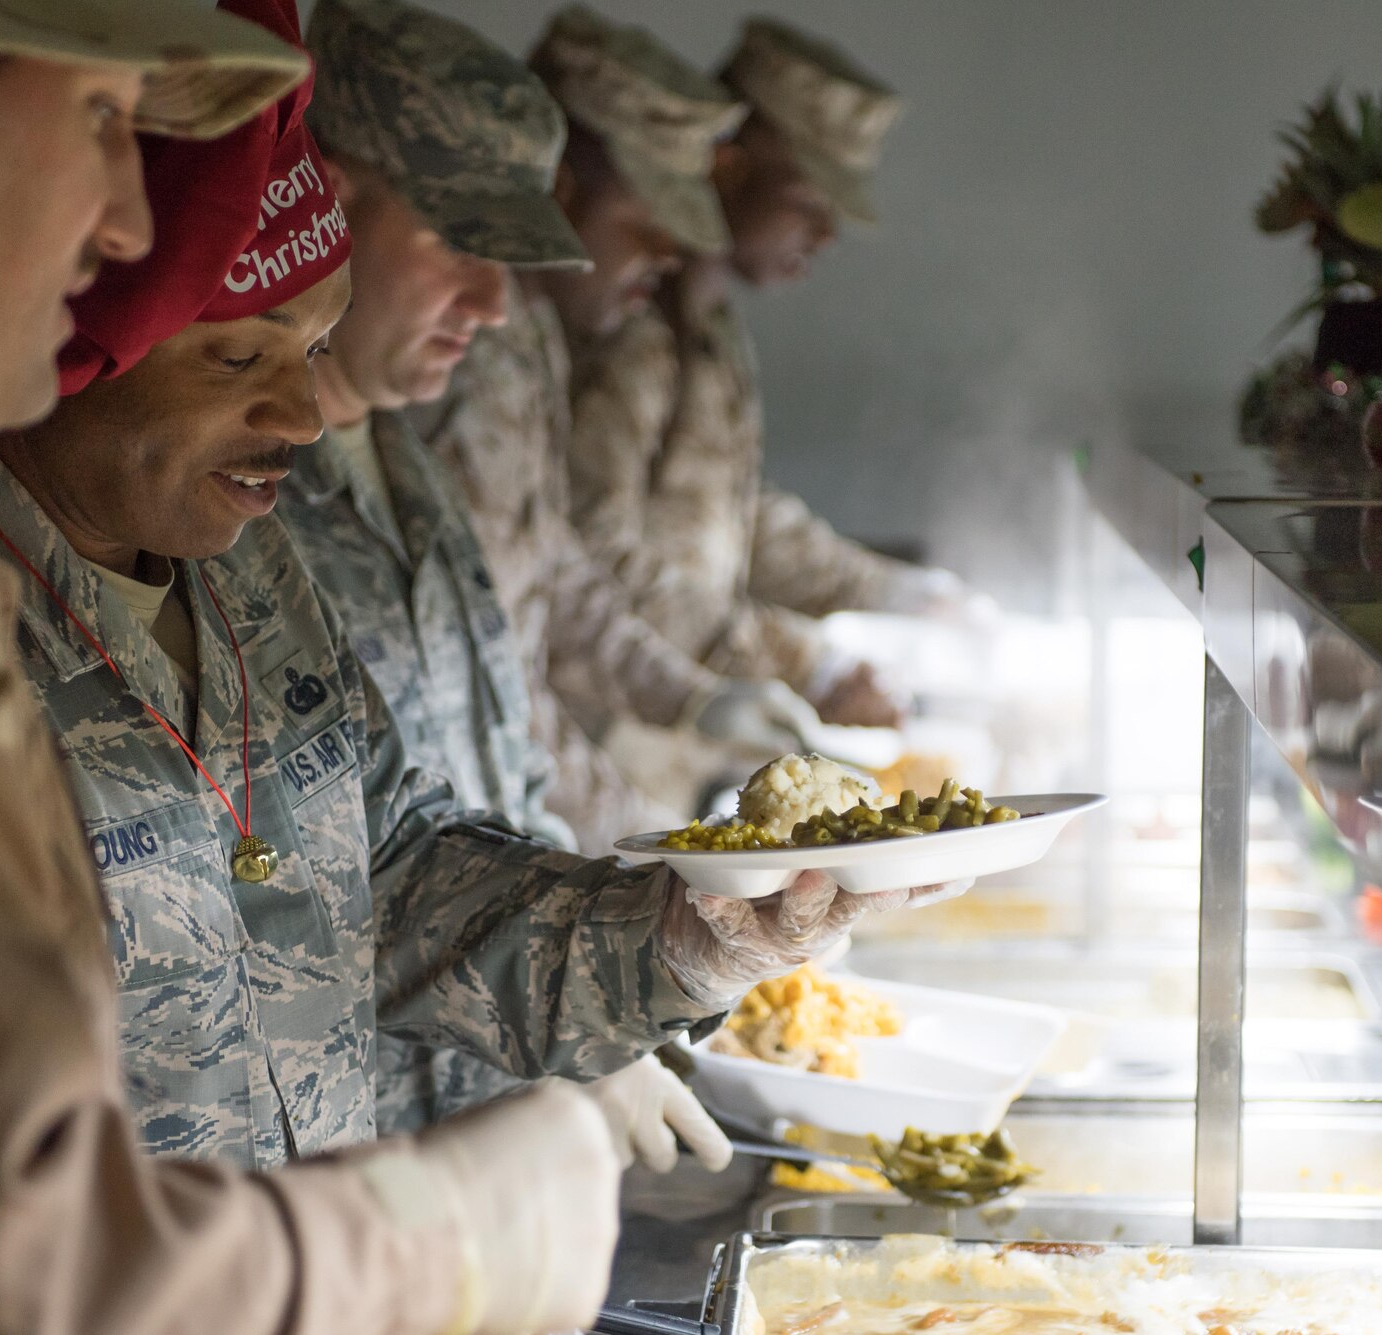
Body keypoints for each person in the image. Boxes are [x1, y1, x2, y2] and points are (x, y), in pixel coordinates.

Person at [0, 0, 919, 1249]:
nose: (301, 414)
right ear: (78, 334)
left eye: (315, 346)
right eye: (236, 361)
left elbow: (390, 869)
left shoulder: (245, 570)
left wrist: (678, 943)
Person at [295, 0, 748, 1167]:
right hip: (356, 1143)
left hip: (481, 1077)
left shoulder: (405, 461)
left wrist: (622, 980)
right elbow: (350, 880)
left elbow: (499, 755)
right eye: (457, 243)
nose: (497, 306)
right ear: (327, 205)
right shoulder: (232, 500)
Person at [416, 1, 822, 856]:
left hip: (535, 809)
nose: (670, 258)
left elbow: (551, 560)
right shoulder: (465, 354)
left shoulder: (528, 329)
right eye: (646, 226)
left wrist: (689, 695)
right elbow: (493, 676)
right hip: (477, 829)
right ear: (562, 191)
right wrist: (646, 837)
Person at [566, 17, 981, 730]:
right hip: (622, 728)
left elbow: (732, 510)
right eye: (810, 201)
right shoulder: (628, 328)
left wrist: (895, 590)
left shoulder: (710, 328)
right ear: (731, 166)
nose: (824, 236)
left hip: (684, 728)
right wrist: (800, 663)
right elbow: (595, 556)